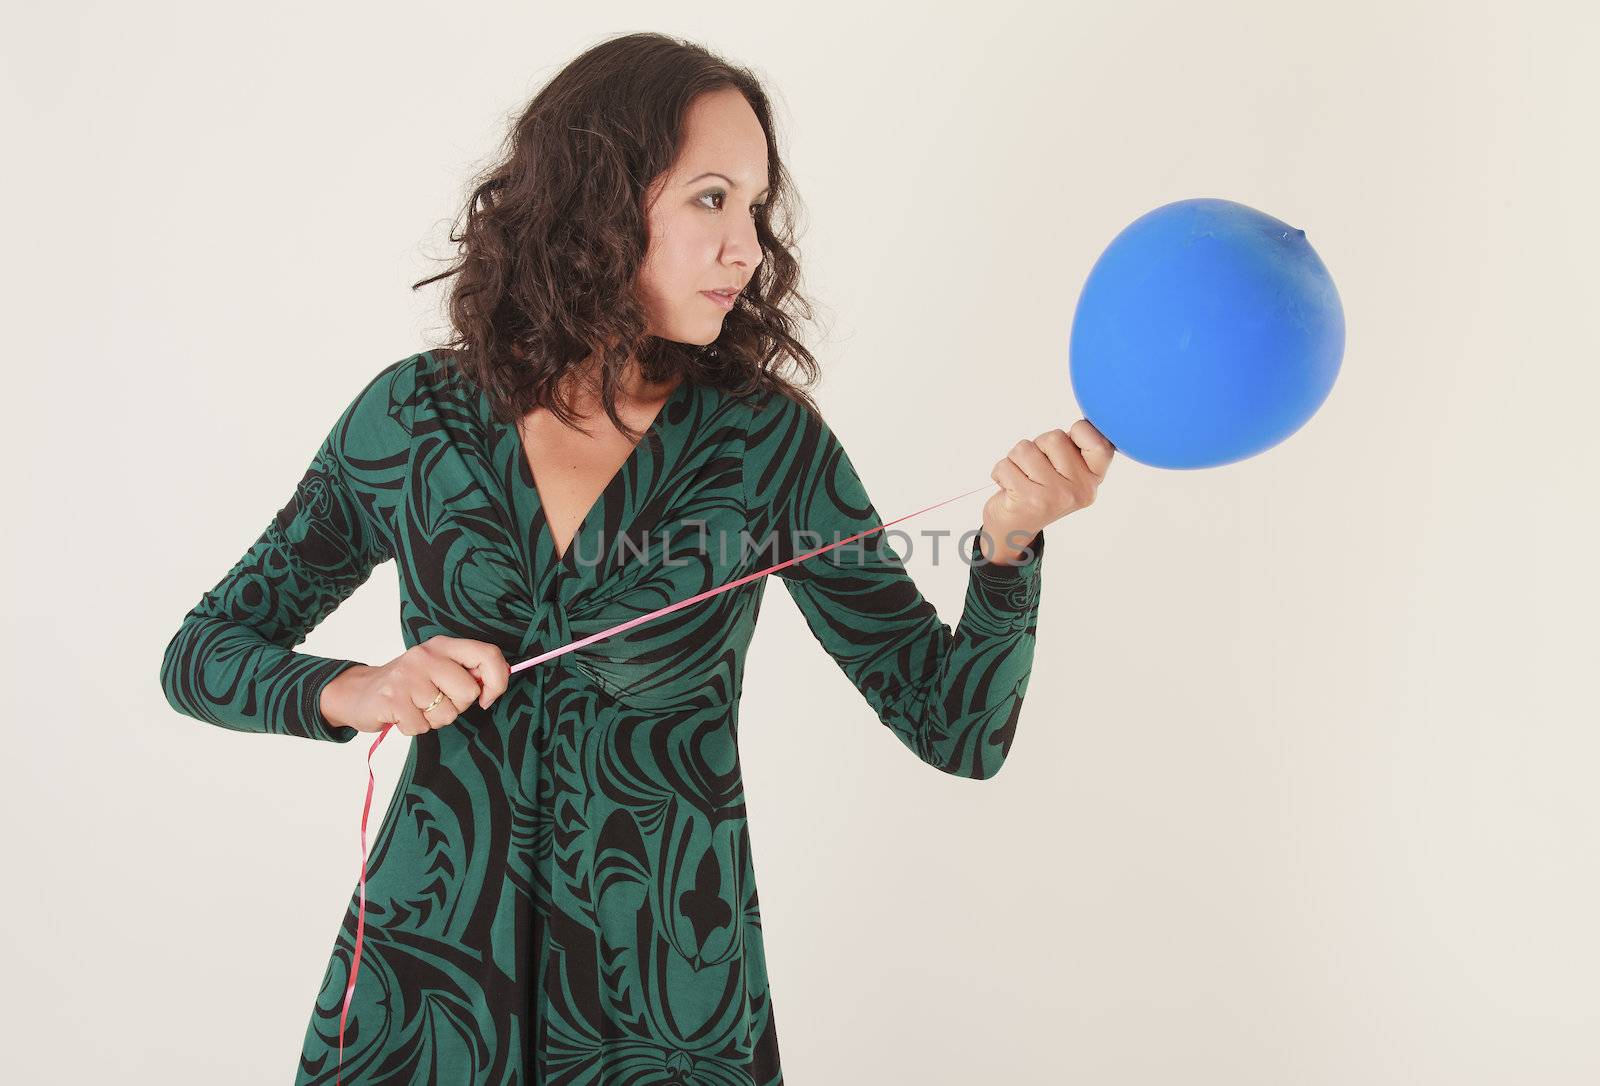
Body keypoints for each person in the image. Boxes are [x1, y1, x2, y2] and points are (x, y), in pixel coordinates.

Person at [158, 31, 1113, 1086]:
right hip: (427, 1004)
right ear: (597, 201)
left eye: (755, 207)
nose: (746, 246)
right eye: (712, 198)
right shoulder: (413, 420)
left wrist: (1008, 547)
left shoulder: (764, 446)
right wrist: (360, 687)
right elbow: (202, 653)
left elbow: (956, 725)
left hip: (663, 1018)